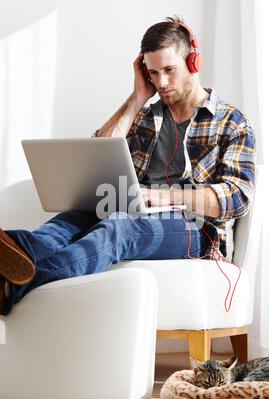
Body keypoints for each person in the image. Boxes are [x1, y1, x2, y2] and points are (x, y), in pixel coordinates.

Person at [0, 16, 255, 315]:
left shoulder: (231, 122)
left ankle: (13, 287)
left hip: (195, 229)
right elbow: (97, 155)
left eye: (170, 70)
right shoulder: (147, 116)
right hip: (130, 208)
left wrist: (165, 196)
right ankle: (10, 256)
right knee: (64, 224)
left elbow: (237, 198)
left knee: (120, 227)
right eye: (153, 73)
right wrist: (137, 98)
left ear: (193, 62)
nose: (161, 83)